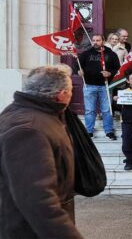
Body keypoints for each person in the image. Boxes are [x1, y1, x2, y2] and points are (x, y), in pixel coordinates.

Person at [0, 65, 83, 238]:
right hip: (27, 230)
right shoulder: (29, 130)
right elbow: (37, 199)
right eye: (70, 91)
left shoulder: (31, 114)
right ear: (61, 94)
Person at [75, 34, 120, 140]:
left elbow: (117, 68)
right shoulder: (86, 54)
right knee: (90, 110)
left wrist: (109, 73)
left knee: (107, 110)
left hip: (105, 86)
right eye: (93, 40)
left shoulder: (111, 54)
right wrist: (78, 71)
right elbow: (77, 65)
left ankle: (109, 131)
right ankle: (89, 131)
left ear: (103, 41)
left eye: (98, 40)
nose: (95, 42)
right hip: (89, 85)